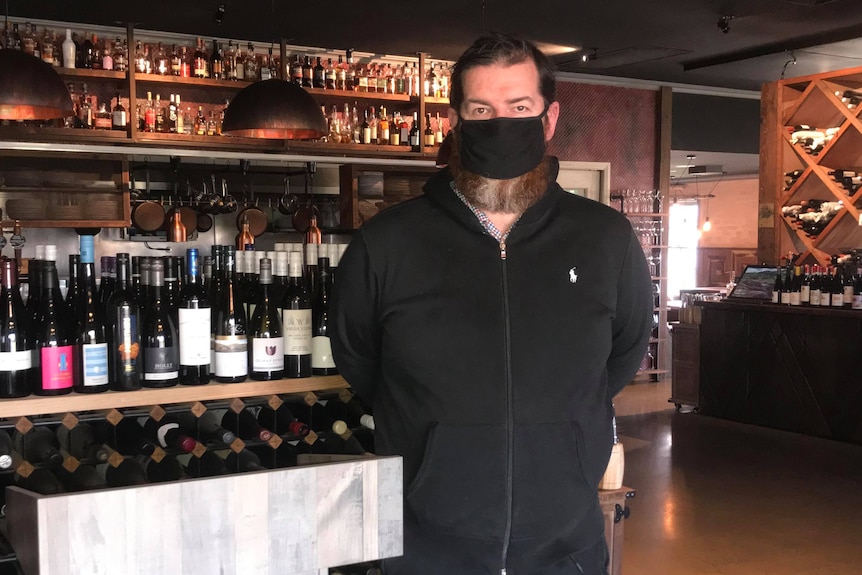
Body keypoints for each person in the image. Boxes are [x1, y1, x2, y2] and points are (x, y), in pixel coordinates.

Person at [331, 32, 652, 575]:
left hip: (564, 545)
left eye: (518, 107)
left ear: (549, 119)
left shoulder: (605, 238)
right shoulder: (386, 242)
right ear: (455, 121)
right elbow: (359, 360)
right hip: (426, 547)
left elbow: (620, 357)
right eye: (481, 109)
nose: (500, 123)